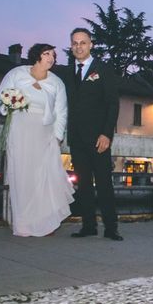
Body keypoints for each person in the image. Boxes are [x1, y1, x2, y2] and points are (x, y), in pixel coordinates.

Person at [0, 43, 73, 237]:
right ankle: (23, 224)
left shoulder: (57, 83)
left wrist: (57, 136)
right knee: (21, 176)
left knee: (45, 177)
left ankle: (46, 222)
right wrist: (10, 104)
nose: (51, 58)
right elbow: (0, 97)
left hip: (44, 132)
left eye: (54, 55)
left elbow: (61, 112)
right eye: (47, 54)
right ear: (37, 55)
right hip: (20, 130)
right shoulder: (17, 73)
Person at [65, 27, 123, 241]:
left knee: (104, 184)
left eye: (83, 42)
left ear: (91, 45)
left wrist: (107, 134)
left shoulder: (103, 69)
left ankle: (111, 227)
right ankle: (88, 225)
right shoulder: (68, 71)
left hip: (99, 138)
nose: (79, 46)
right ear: (71, 47)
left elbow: (112, 104)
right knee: (84, 185)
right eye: (75, 43)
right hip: (77, 138)